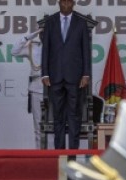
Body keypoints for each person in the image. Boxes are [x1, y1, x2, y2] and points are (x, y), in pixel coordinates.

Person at [41, 0, 91, 149]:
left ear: (73, 4)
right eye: (63, 2)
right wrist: (45, 74)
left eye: (69, 2)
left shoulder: (81, 23)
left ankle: (72, 154)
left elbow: (86, 51)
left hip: (75, 77)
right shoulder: (50, 22)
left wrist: (86, 74)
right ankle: (59, 153)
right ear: (59, 3)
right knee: (58, 117)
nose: (66, 5)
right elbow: (46, 50)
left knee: (75, 116)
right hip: (55, 77)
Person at [11, 30, 43, 148]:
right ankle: (41, 155)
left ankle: (53, 155)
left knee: (54, 125)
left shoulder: (60, 46)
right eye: (42, 32)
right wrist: (29, 36)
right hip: (37, 87)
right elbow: (14, 51)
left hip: (55, 89)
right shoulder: (32, 46)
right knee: (38, 125)